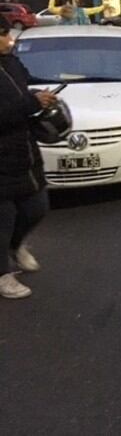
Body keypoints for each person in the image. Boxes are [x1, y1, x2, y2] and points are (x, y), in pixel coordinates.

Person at [0, 15, 56, 299]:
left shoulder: (11, 62)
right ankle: (3, 276)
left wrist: (39, 96)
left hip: (24, 150)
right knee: (3, 218)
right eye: (3, 36)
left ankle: (15, 245)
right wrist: (29, 103)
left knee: (37, 206)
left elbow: (23, 90)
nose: (9, 40)